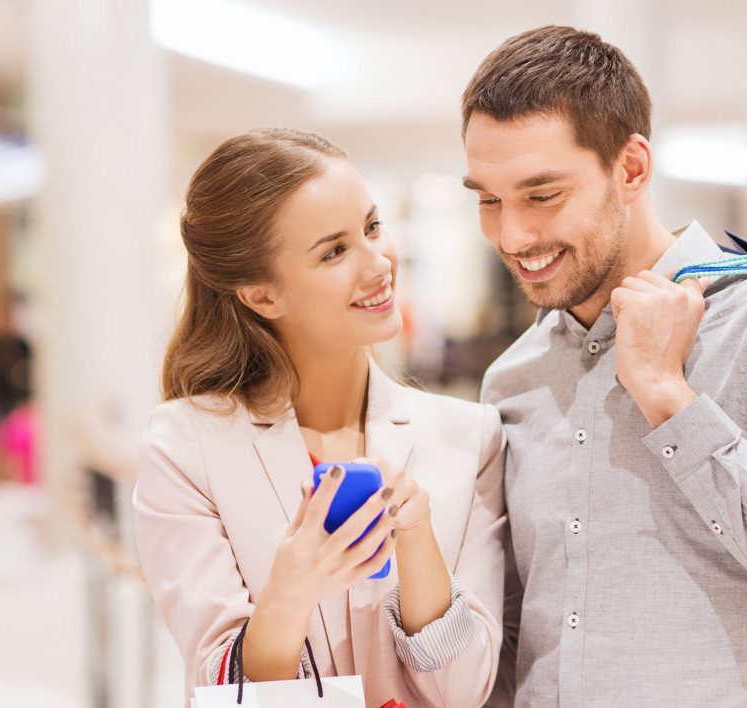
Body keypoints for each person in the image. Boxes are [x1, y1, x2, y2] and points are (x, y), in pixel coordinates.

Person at [463, 26, 747, 707]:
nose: (511, 235)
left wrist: (668, 396)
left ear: (631, 169)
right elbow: (516, 635)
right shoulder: (512, 379)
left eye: (541, 196)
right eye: (488, 199)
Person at [133, 128, 506, 708]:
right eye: (334, 251)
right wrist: (291, 590)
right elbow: (219, 689)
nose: (378, 262)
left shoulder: (469, 438)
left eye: (373, 228)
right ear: (261, 295)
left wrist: (417, 543)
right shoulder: (186, 449)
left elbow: (465, 692)